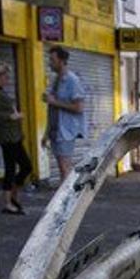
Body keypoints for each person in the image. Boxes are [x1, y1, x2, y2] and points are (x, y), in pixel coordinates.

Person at [0, 60, 31, 215]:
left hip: (12, 134)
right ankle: (10, 201)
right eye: (6, 77)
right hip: (6, 136)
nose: (8, 80)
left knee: (17, 167)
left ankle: (12, 199)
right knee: (23, 166)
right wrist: (12, 116)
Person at [42, 46, 86, 181]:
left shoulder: (72, 80)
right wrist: (46, 133)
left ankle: (67, 200)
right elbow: (52, 110)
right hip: (55, 130)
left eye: (52, 60)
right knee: (63, 167)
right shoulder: (56, 80)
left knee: (64, 168)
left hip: (66, 130)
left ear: (62, 61)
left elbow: (79, 107)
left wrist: (54, 102)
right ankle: (67, 197)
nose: (50, 63)